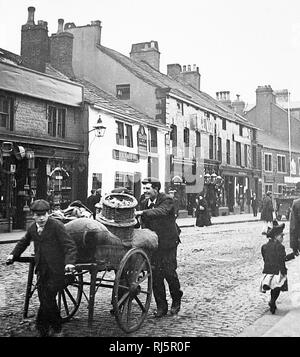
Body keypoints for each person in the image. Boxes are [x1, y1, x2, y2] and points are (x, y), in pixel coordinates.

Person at [6, 199, 77, 337]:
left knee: (47, 297)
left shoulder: (56, 226)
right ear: (33, 215)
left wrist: (69, 263)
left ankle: (52, 328)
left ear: (48, 213)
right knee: (44, 298)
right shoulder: (33, 228)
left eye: (44, 214)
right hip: (42, 271)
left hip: (59, 271)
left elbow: (70, 246)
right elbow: (23, 242)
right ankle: (46, 328)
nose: (42, 218)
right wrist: (13, 255)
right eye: (38, 215)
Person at [135, 177, 183, 318]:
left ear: (156, 189)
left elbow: (160, 212)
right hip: (153, 244)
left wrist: (142, 213)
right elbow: (141, 222)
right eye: (144, 189)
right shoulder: (144, 202)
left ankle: (176, 300)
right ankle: (161, 307)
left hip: (168, 243)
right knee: (156, 276)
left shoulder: (166, 200)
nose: (145, 192)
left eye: (148, 189)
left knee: (169, 273)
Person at [260, 222, 294, 314]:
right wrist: (292, 256)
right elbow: (282, 260)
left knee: (273, 288)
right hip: (277, 271)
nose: (282, 238)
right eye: (281, 236)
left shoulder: (264, 247)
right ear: (275, 236)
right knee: (277, 288)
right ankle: (272, 301)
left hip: (268, 271)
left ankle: (272, 303)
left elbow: (265, 258)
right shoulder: (280, 247)